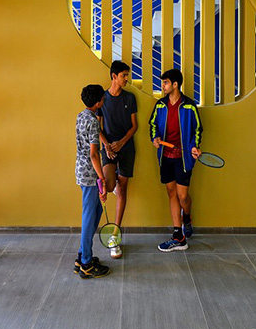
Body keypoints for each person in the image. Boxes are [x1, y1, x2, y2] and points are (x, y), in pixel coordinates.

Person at [148, 69, 203, 252]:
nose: (163, 86)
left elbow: (197, 129)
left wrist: (194, 146)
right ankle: (178, 235)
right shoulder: (160, 105)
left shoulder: (189, 106)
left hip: (183, 158)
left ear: (175, 85)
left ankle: (187, 217)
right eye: (163, 82)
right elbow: (153, 125)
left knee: (183, 196)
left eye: (165, 83)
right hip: (165, 157)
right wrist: (155, 139)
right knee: (172, 194)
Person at [96, 60, 138, 259]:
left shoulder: (130, 97)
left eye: (127, 75)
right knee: (109, 184)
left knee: (122, 188)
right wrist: (106, 145)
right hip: (108, 149)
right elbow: (99, 127)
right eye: (123, 75)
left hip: (126, 147)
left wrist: (121, 143)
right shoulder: (102, 98)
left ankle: (115, 235)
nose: (126, 79)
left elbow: (134, 126)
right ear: (114, 76)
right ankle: (111, 186)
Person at [74, 84, 111, 279]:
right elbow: (94, 155)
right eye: (102, 99)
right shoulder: (94, 121)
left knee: (95, 212)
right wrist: (102, 179)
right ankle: (86, 264)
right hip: (90, 175)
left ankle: (82, 256)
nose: (103, 101)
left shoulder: (81, 116)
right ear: (97, 103)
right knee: (89, 217)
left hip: (81, 171)